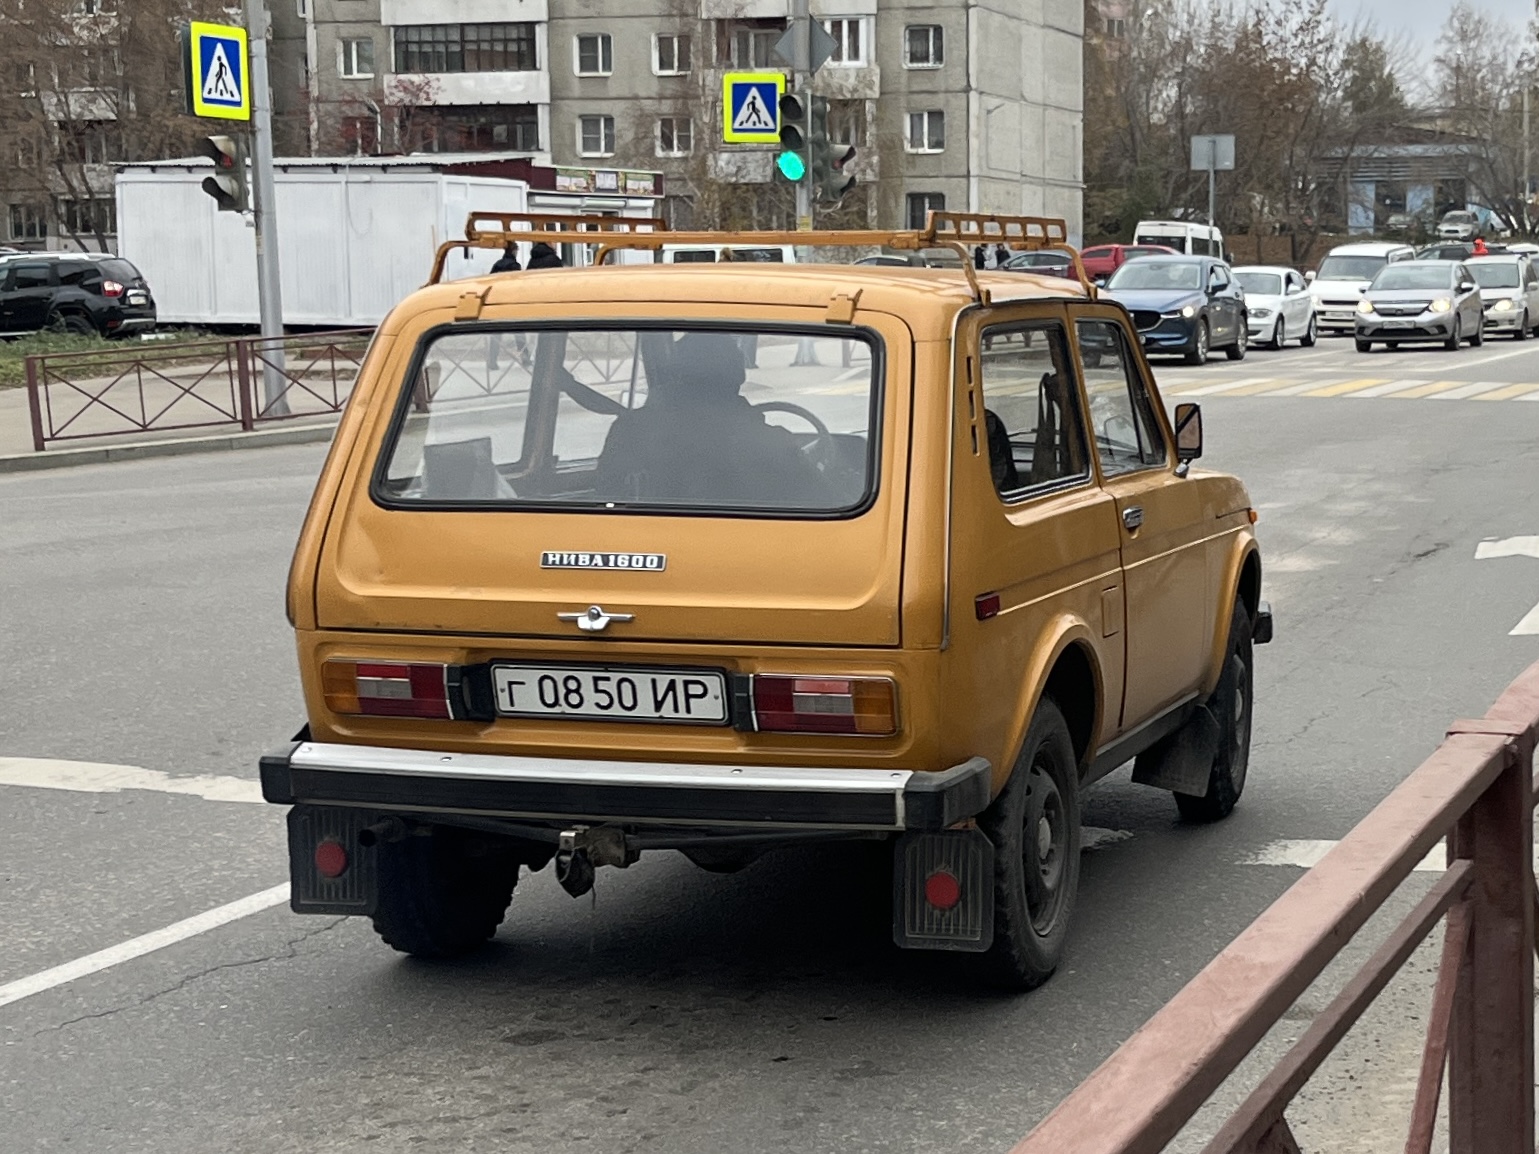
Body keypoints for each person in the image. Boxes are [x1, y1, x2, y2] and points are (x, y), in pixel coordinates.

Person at [594, 332, 827, 507]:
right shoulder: (768, 442)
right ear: (737, 377)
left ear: (676, 375)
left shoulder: (629, 431)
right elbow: (824, 500)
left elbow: (605, 495)